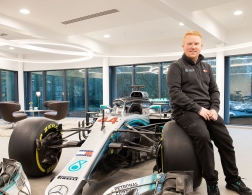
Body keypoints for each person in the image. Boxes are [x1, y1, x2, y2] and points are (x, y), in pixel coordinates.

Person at [166, 30, 252, 195]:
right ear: (183, 46)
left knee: (226, 140)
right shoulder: (176, 67)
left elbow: (214, 90)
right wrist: (198, 109)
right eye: (189, 44)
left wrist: (214, 109)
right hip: (185, 111)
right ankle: (211, 182)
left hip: (208, 110)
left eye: (196, 44)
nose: (193, 47)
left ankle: (233, 180)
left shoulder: (206, 67)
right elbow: (175, 94)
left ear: (201, 46)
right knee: (204, 138)